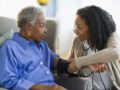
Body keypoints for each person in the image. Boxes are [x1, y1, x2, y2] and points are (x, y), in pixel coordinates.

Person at [0, 6, 71, 90]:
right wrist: (47, 89)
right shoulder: (10, 47)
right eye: (42, 25)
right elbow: (8, 81)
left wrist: (67, 66)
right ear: (28, 27)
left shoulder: (42, 46)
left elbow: (57, 61)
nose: (46, 30)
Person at [68, 5, 120, 90]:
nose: (75, 30)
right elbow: (70, 64)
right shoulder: (77, 40)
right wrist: (88, 64)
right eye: (75, 25)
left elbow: (115, 52)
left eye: (79, 27)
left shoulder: (112, 37)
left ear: (93, 28)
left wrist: (80, 62)